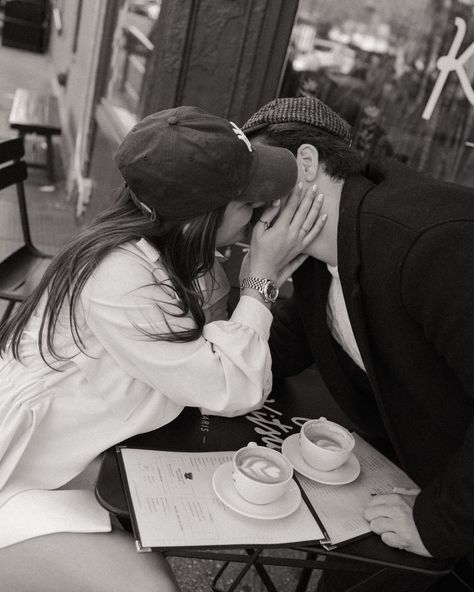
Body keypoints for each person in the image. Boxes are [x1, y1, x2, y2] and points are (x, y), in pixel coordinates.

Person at [0, 105, 327, 592]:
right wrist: (261, 279)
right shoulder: (123, 276)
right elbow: (233, 385)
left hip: (88, 451)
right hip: (26, 477)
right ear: (200, 217)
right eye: (249, 203)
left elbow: (213, 346)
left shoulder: (170, 248)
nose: (260, 213)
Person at [242, 97, 474, 591]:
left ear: (305, 165)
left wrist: (439, 524)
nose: (244, 210)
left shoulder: (429, 242)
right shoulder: (324, 252)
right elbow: (274, 353)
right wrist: (255, 283)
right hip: (409, 477)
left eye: (253, 186)